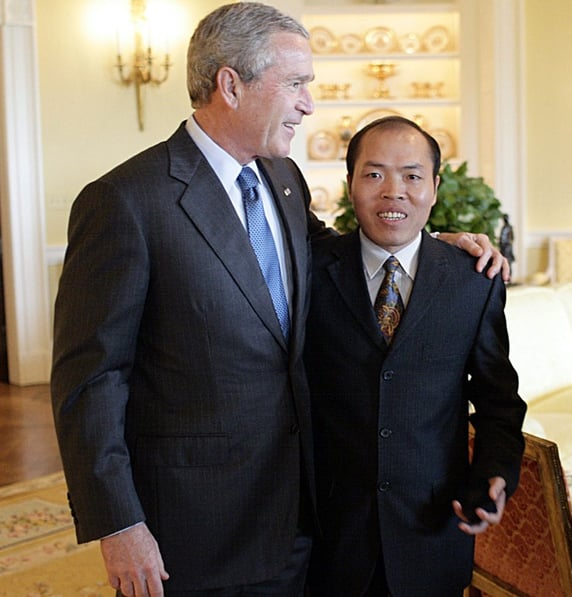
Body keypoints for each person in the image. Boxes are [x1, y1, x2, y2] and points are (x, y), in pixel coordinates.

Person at [50, 4, 505, 596]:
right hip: (194, 529)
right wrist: (119, 524)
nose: (308, 104)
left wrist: (429, 244)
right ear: (231, 85)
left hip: (300, 520)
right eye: (295, 83)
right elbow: (90, 381)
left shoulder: (283, 178)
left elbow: (334, 253)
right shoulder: (126, 201)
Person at [302, 116, 526, 596]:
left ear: (435, 187)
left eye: (412, 176)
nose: (394, 192)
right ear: (350, 184)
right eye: (374, 174)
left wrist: (495, 473)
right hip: (330, 536)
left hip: (433, 529)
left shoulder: (473, 281)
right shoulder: (309, 273)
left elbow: (499, 402)